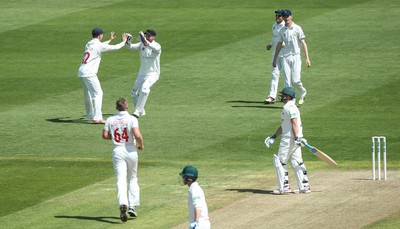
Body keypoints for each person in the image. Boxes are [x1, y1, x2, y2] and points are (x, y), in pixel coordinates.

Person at [102, 98, 144, 222]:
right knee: (132, 178)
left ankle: (122, 203)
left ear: (116, 108)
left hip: (117, 150)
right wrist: (141, 144)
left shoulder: (110, 119)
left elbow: (104, 136)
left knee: (121, 179)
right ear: (126, 107)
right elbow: (137, 135)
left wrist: (115, 137)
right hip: (131, 150)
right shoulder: (132, 119)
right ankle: (132, 206)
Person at [264, 87, 311, 194]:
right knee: (297, 162)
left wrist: (296, 137)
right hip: (293, 138)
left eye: (283, 95)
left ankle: (284, 187)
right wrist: (274, 136)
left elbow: (294, 123)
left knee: (280, 162)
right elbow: (284, 126)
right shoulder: (288, 107)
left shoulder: (289, 108)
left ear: (288, 96)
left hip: (289, 139)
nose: (282, 97)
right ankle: (304, 187)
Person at [78, 28, 127, 124]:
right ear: (100, 36)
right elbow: (115, 48)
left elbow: (100, 46)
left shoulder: (89, 44)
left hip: (82, 71)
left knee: (87, 95)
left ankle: (89, 116)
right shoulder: (99, 45)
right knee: (98, 94)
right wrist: (124, 42)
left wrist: (109, 40)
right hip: (89, 72)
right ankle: (97, 118)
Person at [272, 10, 311, 105]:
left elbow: (303, 43)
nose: (286, 18)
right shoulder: (281, 30)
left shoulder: (297, 28)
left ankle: (302, 93)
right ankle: (291, 101)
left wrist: (307, 58)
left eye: (287, 16)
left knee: (296, 80)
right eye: (284, 16)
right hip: (285, 57)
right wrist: (275, 59)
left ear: (291, 16)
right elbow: (278, 45)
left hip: (296, 56)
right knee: (287, 82)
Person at [126, 29, 161, 118]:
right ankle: (141, 110)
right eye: (146, 35)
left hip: (153, 74)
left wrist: (145, 41)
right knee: (133, 93)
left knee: (145, 88)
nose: (147, 37)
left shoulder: (157, 46)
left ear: (154, 37)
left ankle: (137, 111)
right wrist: (128, 40)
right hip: (142, 73)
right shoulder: (141, 44)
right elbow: (130, 47)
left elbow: (150, 46)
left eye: (149, 35)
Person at [265, 9, 286, 104]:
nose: (277, 17)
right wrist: (271, 44)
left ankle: (287, 95)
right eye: (277, 16)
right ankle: (272, 96)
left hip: (286, 54)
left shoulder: (286, 26)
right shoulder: (274, 25)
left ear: (284, 17)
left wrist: (284, 43)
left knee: (287, 76)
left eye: (279, 16)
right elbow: (275, 38)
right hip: (276, 54)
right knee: (274, 75)